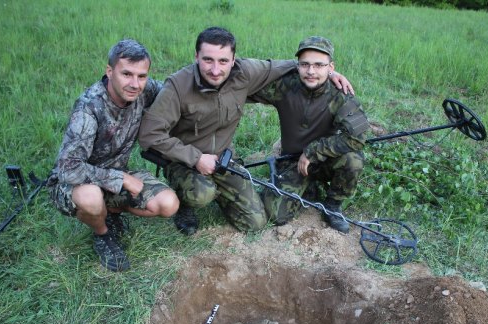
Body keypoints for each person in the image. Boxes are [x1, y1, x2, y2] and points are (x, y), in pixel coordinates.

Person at [138, 27, 353, 235]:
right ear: (196, 56)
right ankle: (186, 202)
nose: (215, 70)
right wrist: (195, 158)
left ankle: (218, 192)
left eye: (223, 61)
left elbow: (281, 66)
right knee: (201, 193)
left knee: (256, 222)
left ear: (233, 60)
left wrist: (327, 73)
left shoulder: (245, 72)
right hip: (183, 159)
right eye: (207, 60)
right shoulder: (178, 85)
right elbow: (149, 135)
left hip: (223, 159)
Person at [47, 39, 180, 272]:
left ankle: (109, 211)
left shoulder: (143, 90)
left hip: (116, 173)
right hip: (75, 182)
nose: (134, 84)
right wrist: (122, 180)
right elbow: (69, 168)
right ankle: (103, 234)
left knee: (168, 204)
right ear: (109, 72)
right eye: (126, 74)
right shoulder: (88, 109)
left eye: (142, 76)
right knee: (90, 197)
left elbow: (174, 92)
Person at [249, 36, 370, 233]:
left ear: (331, 67)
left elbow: (358, 137)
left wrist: (313, 151)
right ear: (297, 65)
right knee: (276, 214)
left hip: (324, 159)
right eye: (304, 64)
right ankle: (308, 187)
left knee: (353, 159)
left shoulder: (340, 94)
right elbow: (249, 83)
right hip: (291, 159)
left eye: (318, 65)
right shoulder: (285, 86)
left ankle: (332, 205)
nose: (311, 71)